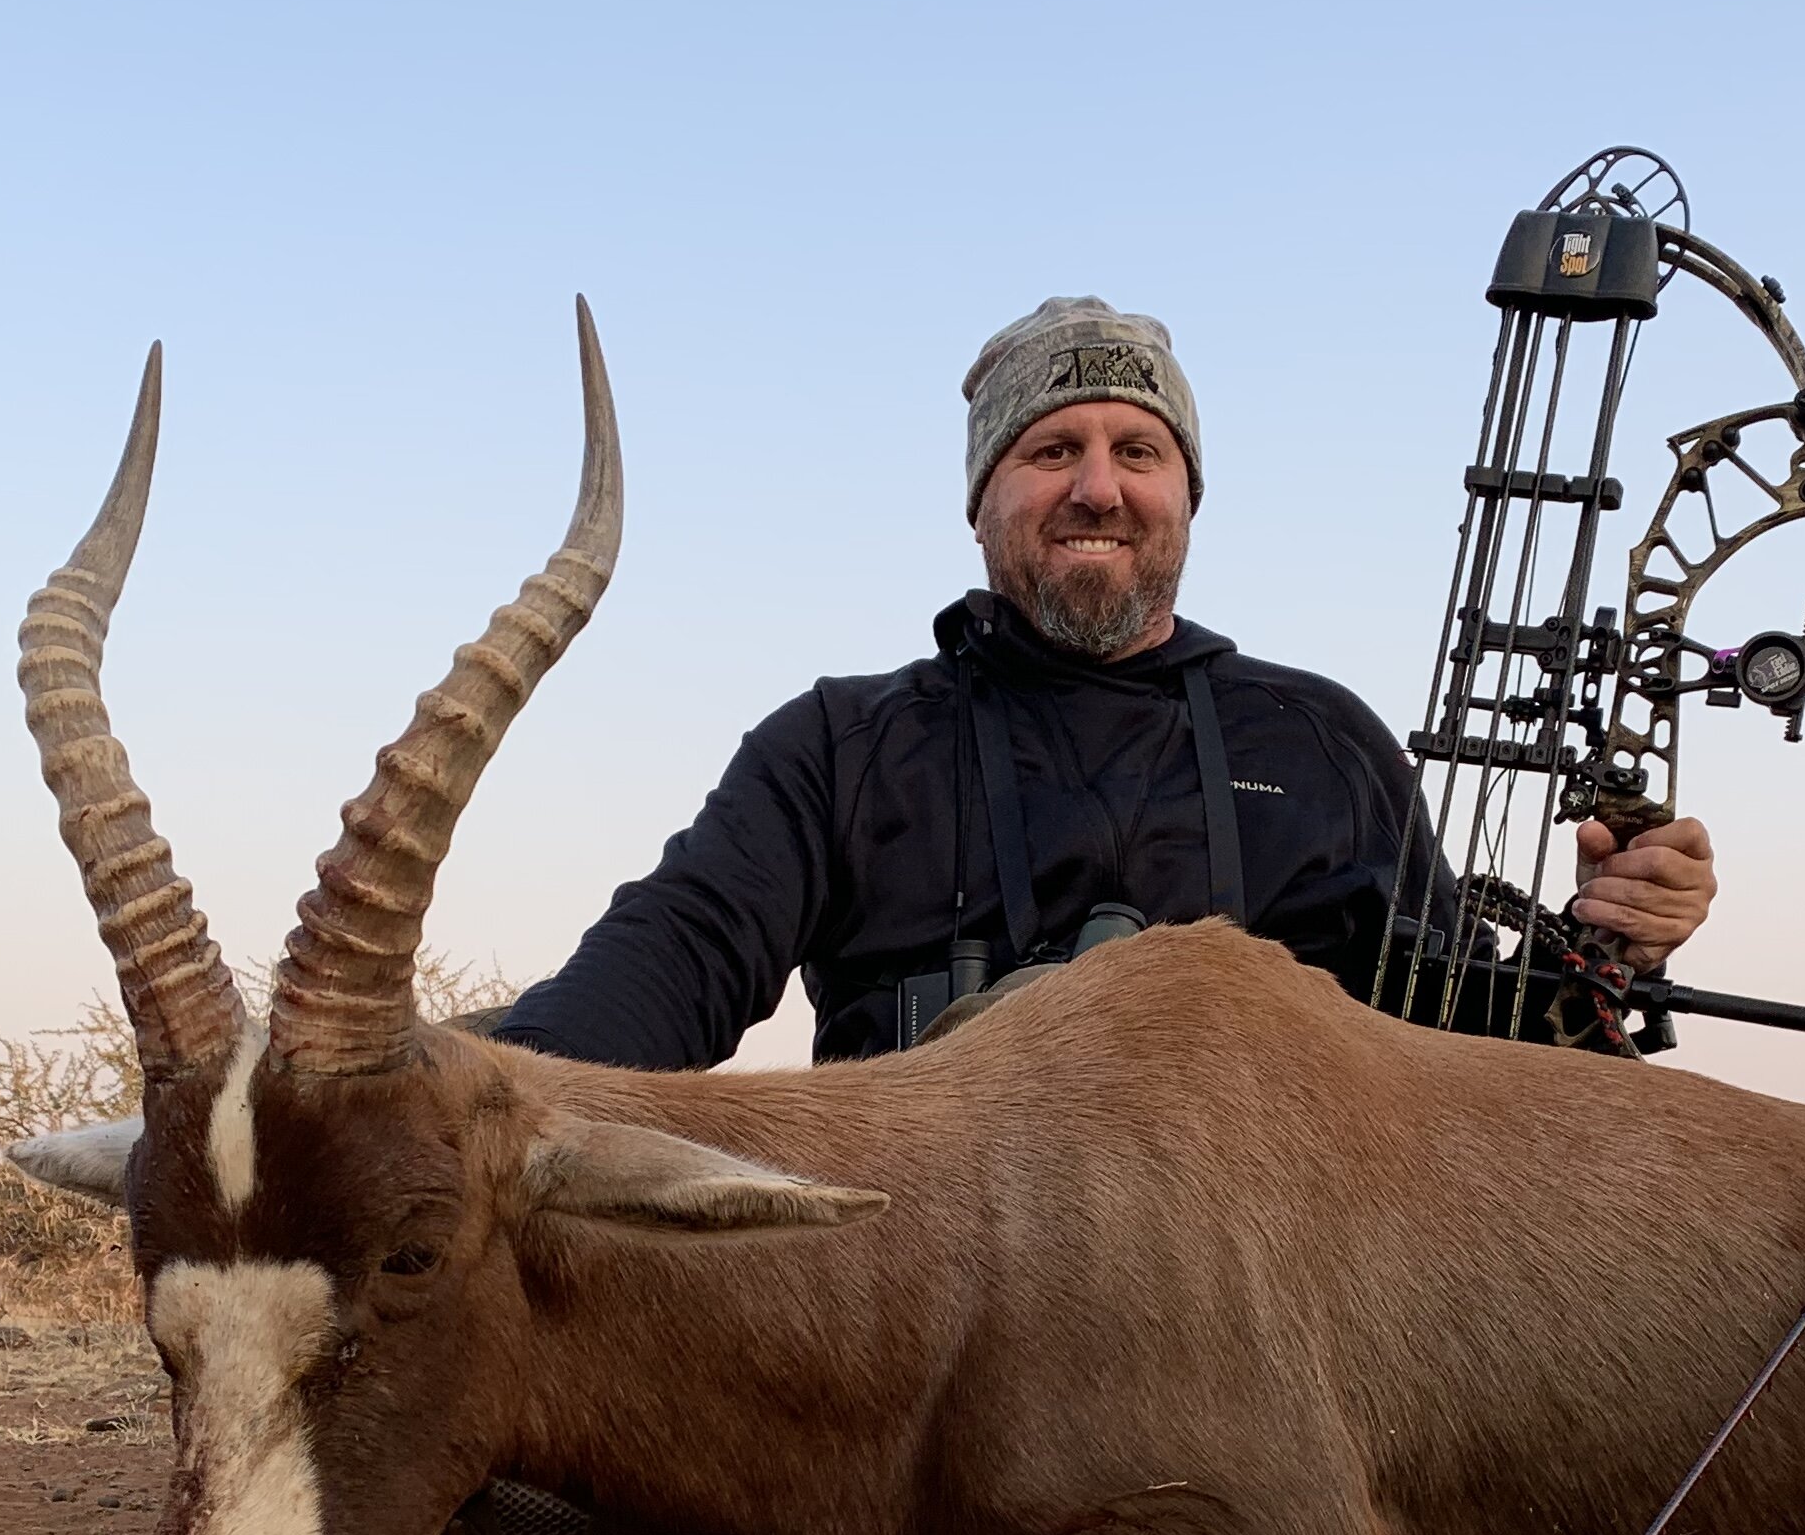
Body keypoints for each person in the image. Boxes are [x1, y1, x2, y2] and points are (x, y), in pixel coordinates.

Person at [494, 295, 1720, 1069]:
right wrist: (495, 1088)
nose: (1097, 487)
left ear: (1184, 496)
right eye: (1050, 451)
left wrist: (1613, 951)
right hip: (922, 1302)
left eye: (1139, 451)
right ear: (983, 500)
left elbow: (1479, 1054)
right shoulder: (838, 744)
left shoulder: (1326, 742)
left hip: (1276, 1320)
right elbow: (670, 965)